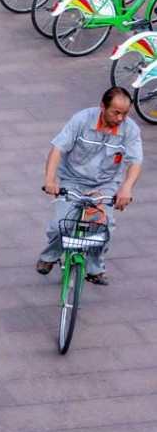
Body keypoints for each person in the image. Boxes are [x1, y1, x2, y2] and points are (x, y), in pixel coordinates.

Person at [37, 87, 143, 285]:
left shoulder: (130, 129)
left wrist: (126, 188)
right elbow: (58, 148)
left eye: (125, 113)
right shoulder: (81, 120)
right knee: (62, 224)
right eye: (116, 112)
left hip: (106, 183)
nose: (121, 118)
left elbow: (136, 162)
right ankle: (50, 256)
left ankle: (95, 269)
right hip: (72, 179)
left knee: (103, 225)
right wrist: (50, 180)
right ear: (102, 106)